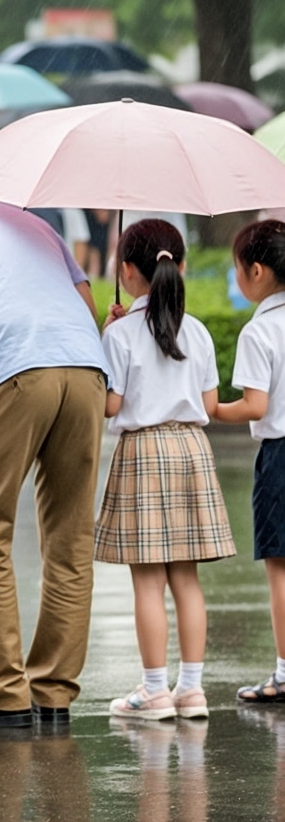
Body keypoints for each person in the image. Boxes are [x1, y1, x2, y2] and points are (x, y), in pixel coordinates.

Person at [0, 202, 108, 728]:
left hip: (15, 366)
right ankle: (54, 691)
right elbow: (85, 299)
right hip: (85, 366)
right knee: (71, 540)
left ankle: (2, 692)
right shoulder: (38, 225)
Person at [94, 219, 234, 721]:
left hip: (144, 452)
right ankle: (191, 690)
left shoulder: (122, 333)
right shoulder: (195, 329)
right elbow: (211, 400)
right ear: (182, 268)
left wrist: (108, 335)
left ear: (127, 273)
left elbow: (111, 406)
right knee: (186, 580)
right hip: (192, 450)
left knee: (148, 582)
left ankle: (154, 691)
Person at [216, 220, 285, 704]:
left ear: (256, 271)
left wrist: (212, 409)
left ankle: (284, 672)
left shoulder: (260, 329)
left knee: (281, 566)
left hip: (281, 455)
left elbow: (255, 406)